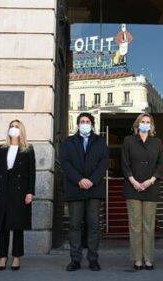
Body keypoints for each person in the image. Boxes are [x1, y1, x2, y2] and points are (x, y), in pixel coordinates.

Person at [61, 112, 109, 272]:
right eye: (82, 121)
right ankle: (75, 260)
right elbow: (65, 163)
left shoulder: (100, 141)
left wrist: (92, 180)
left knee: (93, 225)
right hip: (75, 189)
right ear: (78, 124)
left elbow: (104, 163)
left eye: (87, 121)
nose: (85, 123)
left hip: (94, 190)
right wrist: (79, 179)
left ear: (92, 124)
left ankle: (93, 259)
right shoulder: (68, 142)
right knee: (75, 225)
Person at [0, 119, 36, 271]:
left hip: (20, 192)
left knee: (17, 225)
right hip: (2, 190)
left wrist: (30, 192)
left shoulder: (28, 149)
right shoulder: (2, 148)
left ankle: (16, 257)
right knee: (2, 225)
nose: (13, 129)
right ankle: (2, 257)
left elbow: (32, 173)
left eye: (16, 126)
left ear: (21, 130)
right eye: (11, 126)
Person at [121, 112, 163, 270]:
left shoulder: (157, 142)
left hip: (151, 187)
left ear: (151, 125)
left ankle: (148, 259)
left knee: (148, 225)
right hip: (132, 187)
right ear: (137, 124)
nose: (145, 124)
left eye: (148, 122)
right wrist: (133, 181)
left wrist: (150, 180)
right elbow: (124, 163)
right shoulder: (129, 141)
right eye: (143, 121)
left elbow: (160, 164)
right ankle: (137, 259)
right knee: (135, 225)